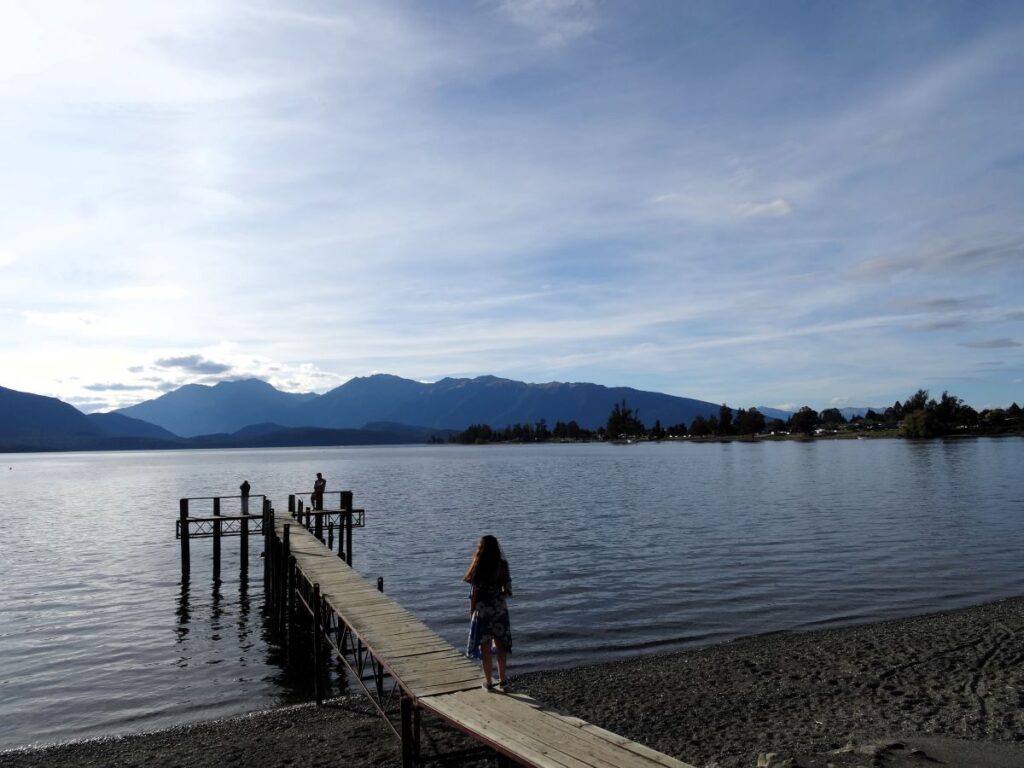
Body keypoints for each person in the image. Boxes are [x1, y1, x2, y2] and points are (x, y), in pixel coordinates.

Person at [463, 535, 513, 691]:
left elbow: (474, 593)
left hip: (483, 610)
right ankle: (503, 680)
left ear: (481, 549)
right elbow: (508, 590)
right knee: (501, 644)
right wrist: (499, 593)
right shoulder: (503, 565)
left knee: (484, 646)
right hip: (499, 609)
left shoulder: (479, 566)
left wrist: (472, 611)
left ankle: (488, 682)